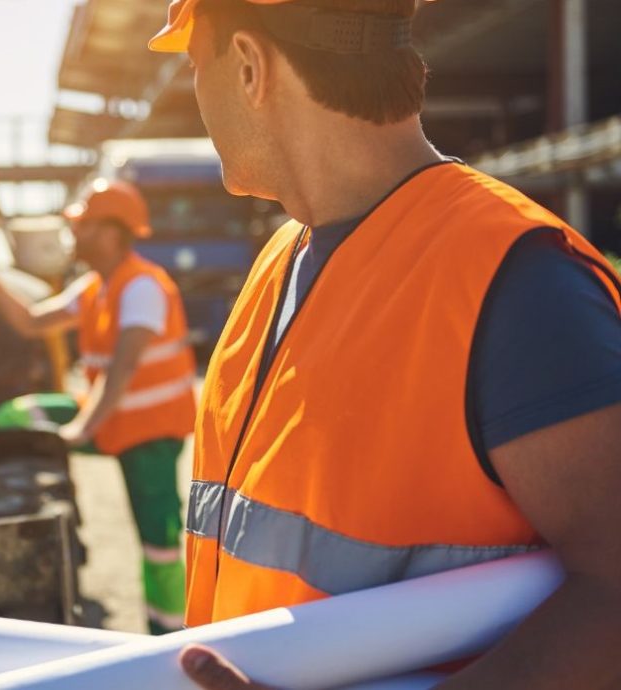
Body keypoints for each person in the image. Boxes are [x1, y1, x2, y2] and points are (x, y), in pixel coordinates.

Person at [146, 0, 621, 687]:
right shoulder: (280, 260)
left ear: (249, 67)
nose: (196, 97)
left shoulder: (519, 283)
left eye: (195, 63)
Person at [0, 178, 197, 635]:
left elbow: (123, 368)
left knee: (159, 545)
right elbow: (32, 322)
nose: (74, 233)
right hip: (111, 421)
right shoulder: (95, 288)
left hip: (150, 436)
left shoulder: (142, 287)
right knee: (15, 417)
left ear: (112, 232)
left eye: (84, 225)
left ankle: (171, 636)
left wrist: (81, 429)